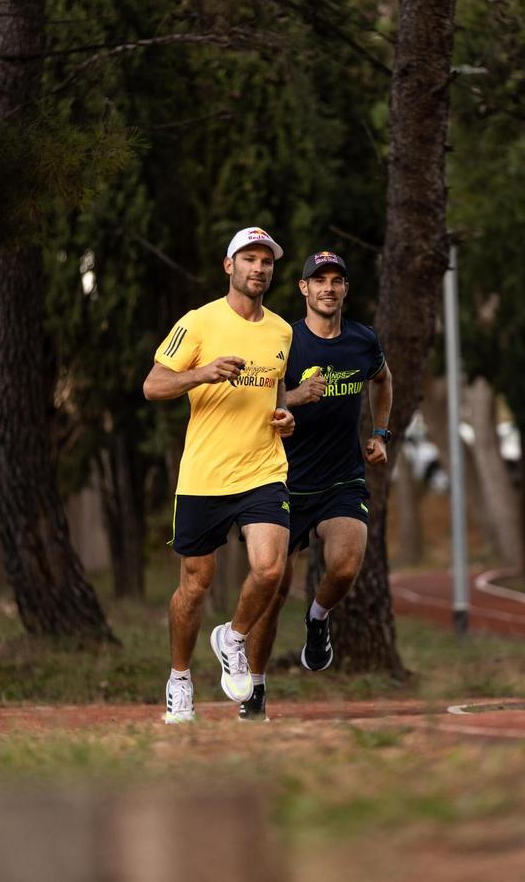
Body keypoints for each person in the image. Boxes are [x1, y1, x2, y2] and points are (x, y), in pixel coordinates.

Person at [143, 227, 295, 724]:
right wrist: (200, 373)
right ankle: (180, 678)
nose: (258, 268)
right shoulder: (198, 322)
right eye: (248, 259)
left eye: (266, 262)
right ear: (228, 266)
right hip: (205, 475)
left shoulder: (281, 331)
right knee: (195, 585)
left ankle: (232, 637)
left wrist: (285, 415)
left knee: (271, 569)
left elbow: (274, 394)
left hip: (263, 469)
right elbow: (153, 385)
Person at [239, 250, 392, 720]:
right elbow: (252, 400)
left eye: (336, 280)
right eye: (318, 280)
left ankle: (318, 620)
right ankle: (256, 689)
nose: (328, 288)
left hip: (342, 478)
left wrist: (381, 433)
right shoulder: (285, 341)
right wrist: (296, 398)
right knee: (273, 588)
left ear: (345, 289)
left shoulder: (363, 341)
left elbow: (382, 381)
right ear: (303, 289)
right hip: (281, 480)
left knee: (346, 565)